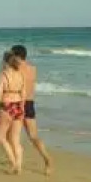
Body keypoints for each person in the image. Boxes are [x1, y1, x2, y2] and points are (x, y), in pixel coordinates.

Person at [11, 44, 53, 175]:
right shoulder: (33, 69)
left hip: (18, 103)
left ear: (17, 56)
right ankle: (47, 160)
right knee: (33, 136)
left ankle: (17, 162)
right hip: (29, 103)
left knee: (12, 135)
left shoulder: (15, 69)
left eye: (12, 55)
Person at [0, 50, 26, 175]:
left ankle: (13, 163)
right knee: (15, 139)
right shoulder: (20, 74)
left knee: (0, 137)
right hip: (18, 106)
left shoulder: (3, 75)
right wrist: (22, 108)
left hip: (7, 106)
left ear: (4, 61)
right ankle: (19, 165)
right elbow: (24, 93)